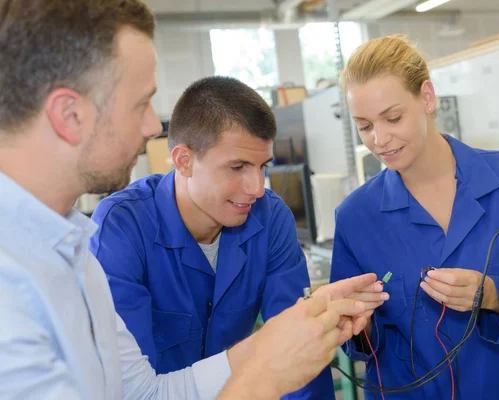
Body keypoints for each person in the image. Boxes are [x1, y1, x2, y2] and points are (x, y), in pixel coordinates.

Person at [0, 1, 385, 398]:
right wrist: (266, 373)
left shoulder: (73, 255)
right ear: (69, 114)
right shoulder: (33, 268)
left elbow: (144, 393)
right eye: (140, 103)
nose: (153, 126)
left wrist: (295, 333)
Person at [88, 75, 385, 399]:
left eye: (262, 166)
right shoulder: (122, 230)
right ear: (184, 161)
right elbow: (132, 389)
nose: (257, 188)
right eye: (237, 167)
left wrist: (311, 322)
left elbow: (300, 357)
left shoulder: (270, 219)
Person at [329, 34, 499, 400]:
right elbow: (358, 342)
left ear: (427, 97)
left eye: (393, 117)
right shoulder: (356, 217)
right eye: (365, 126)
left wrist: (494, 295)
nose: (380, 139)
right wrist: (358, 324)